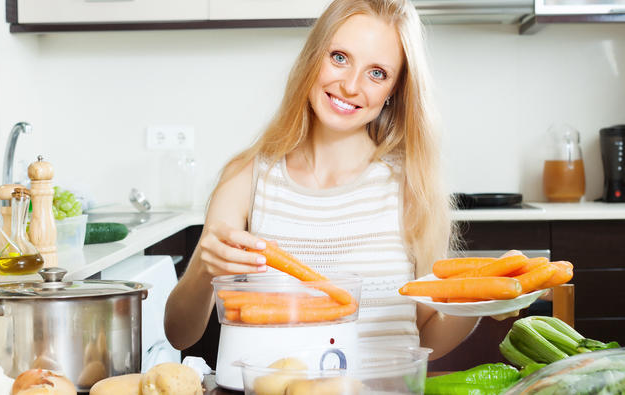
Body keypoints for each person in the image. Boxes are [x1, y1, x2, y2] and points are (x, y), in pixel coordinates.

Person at [165, 0, 483, 361]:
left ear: (395, 89)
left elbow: (425, 337)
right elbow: (179, 334)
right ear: (313, 57)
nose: (350, 85)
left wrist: (476, 305)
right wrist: (206, 270)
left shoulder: (412, 188)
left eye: (377, 73)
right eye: (339, 57)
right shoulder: (246, 178)